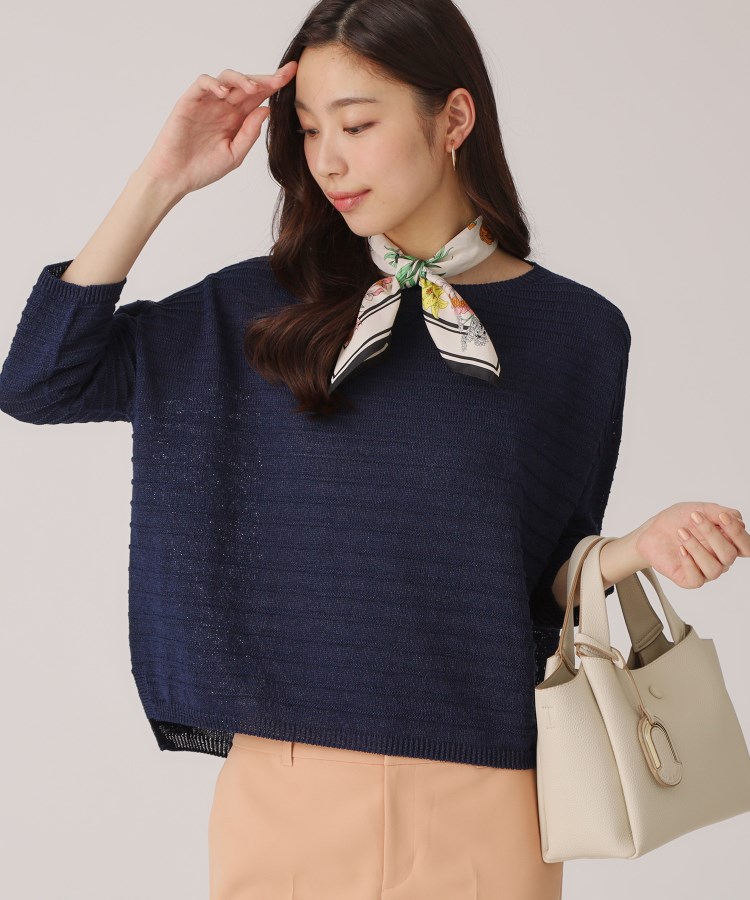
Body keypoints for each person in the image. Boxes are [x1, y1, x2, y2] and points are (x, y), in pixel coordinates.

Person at [1, 1, 747, 897]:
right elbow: (40, 382)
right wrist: (161, 178)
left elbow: (537, 581)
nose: (328, 160)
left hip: (491, 795)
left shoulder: (580, 333)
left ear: (454, 119)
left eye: (356, 125)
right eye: (310, 129)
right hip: (286, 790)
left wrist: (635, 550)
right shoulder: (254, 312)